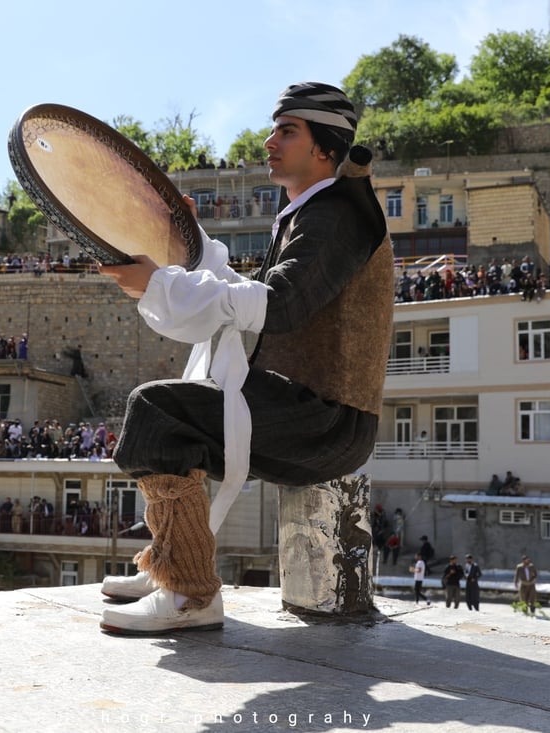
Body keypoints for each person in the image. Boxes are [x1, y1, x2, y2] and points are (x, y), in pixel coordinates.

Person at [97, 82, 393, 634]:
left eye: (287, 131)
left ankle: (189, 593)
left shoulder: (338, 215)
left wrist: (161, 282)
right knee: (165, 414)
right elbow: (251, 295)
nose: (269, 140)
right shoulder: (311, 211)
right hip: (309, 410)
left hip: (328, 421)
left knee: (160, 412)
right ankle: (172, 563)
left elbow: (277, 303)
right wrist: (187, 245)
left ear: (324, 147)